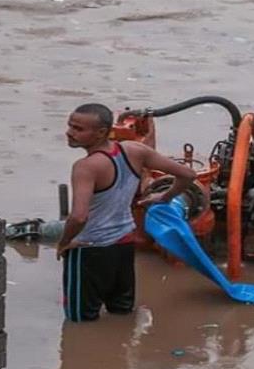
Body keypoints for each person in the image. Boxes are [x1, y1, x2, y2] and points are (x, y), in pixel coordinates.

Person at [57, 103, 196, 322]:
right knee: (121, 312)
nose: (69, 132)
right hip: (124, 245)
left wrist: (64, 242)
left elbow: (79, 216)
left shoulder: (85, 167)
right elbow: (187, 174)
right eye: (70, 126)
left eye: (78, 129)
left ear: (101, 132)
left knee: (80, 321)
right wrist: (164, 197)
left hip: (90, 249)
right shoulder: (134, 151)